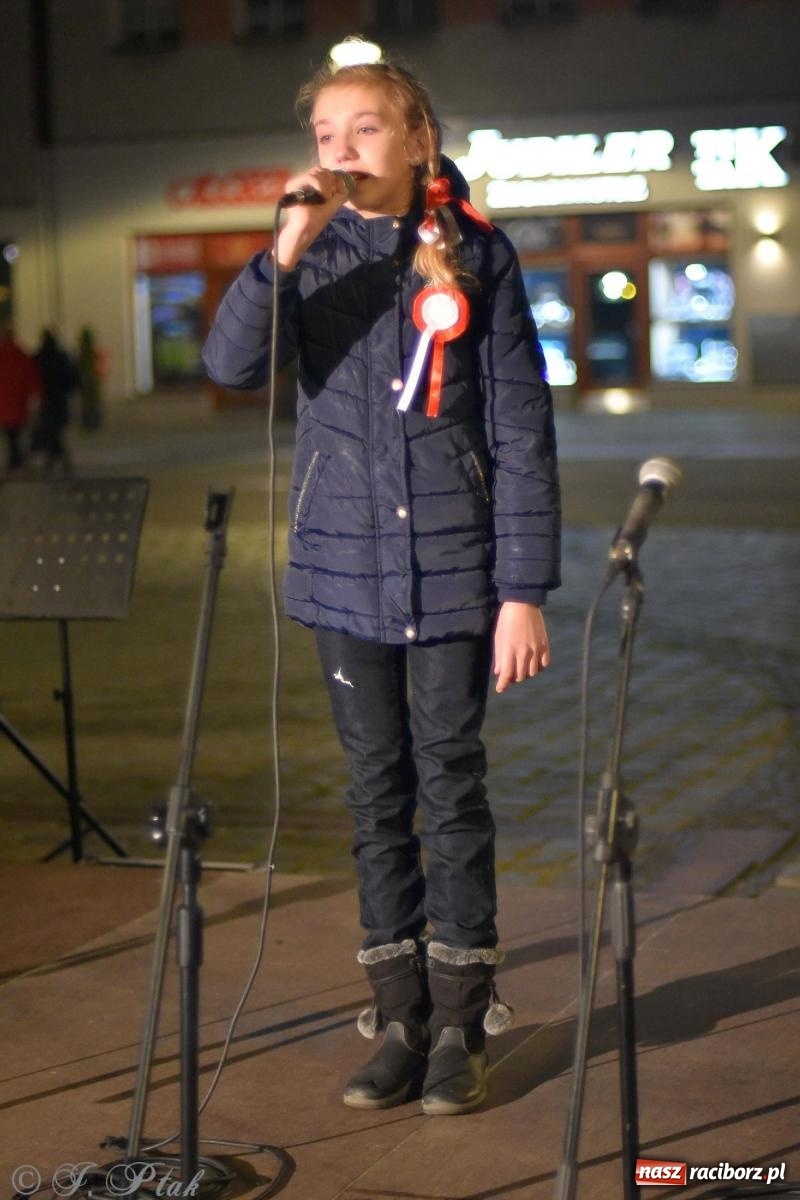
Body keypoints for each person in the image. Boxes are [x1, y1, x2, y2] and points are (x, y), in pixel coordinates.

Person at [203, 40, 561, 1116]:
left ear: (415, 139)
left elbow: (520, 429)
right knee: (373, 793)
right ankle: (396, 1016)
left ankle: (461, 1020)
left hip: (454, 573)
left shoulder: (481, 257)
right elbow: (227, 368)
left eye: (361, 128)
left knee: (449, 783)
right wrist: (278, 256)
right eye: (323, 134)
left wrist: (521, 590)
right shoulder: (304, 253)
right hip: (340, 572)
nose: (339, 148)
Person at [32, 328, 80, 475]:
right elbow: (72, 377)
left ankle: (54, 462)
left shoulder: (39, 357)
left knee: (53, 431)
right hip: (59, 400)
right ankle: (59, 462)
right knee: (56, 432)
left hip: (47, 400)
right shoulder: (61, 356)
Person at [0, 318, 41, 475]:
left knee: (9, 434)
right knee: (16, 432)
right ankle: (15, 460)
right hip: (18, 402)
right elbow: (32, 378)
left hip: (4, 402)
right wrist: (35, 396)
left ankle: (14, 460)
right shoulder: (21, 354)